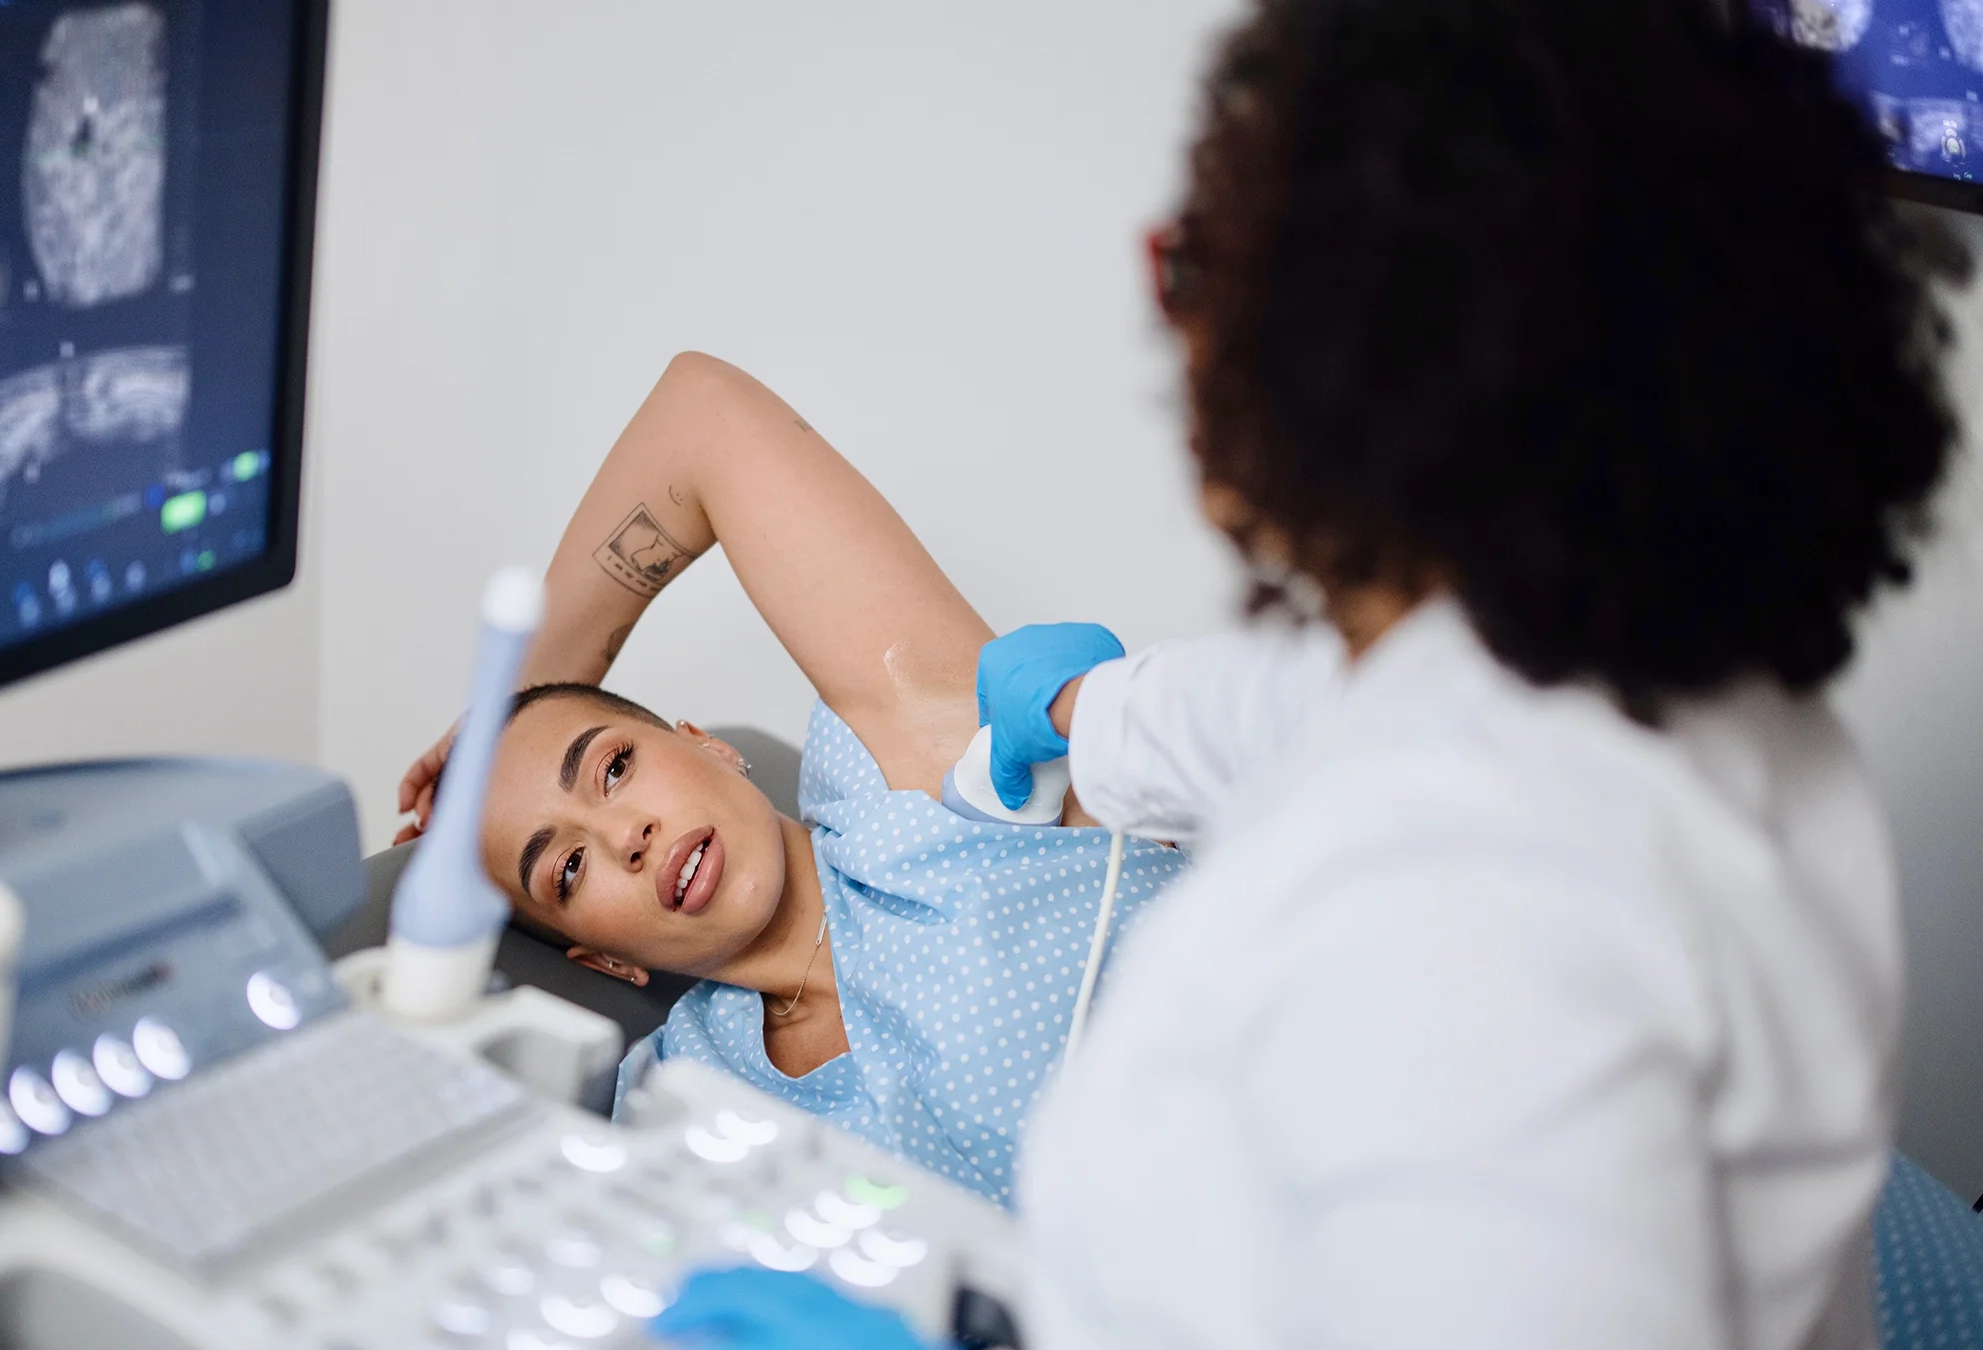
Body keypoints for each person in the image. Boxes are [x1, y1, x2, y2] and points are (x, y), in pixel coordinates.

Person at [646, 0, 1967, 1346]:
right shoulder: (1660, 683)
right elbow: (1265, 715)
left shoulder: (1476, 935)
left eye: (1199, 263)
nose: (1174, 313)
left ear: (1347, 358)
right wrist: (1064, 722)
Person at [395, 352, 1188, 1208]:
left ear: (707, 745)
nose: (624, 837)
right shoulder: (685, 1102)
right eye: (568, 869)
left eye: (615, 766)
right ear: (606, 961)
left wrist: (511, 699)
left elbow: (699, 416)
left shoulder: (911, 779)